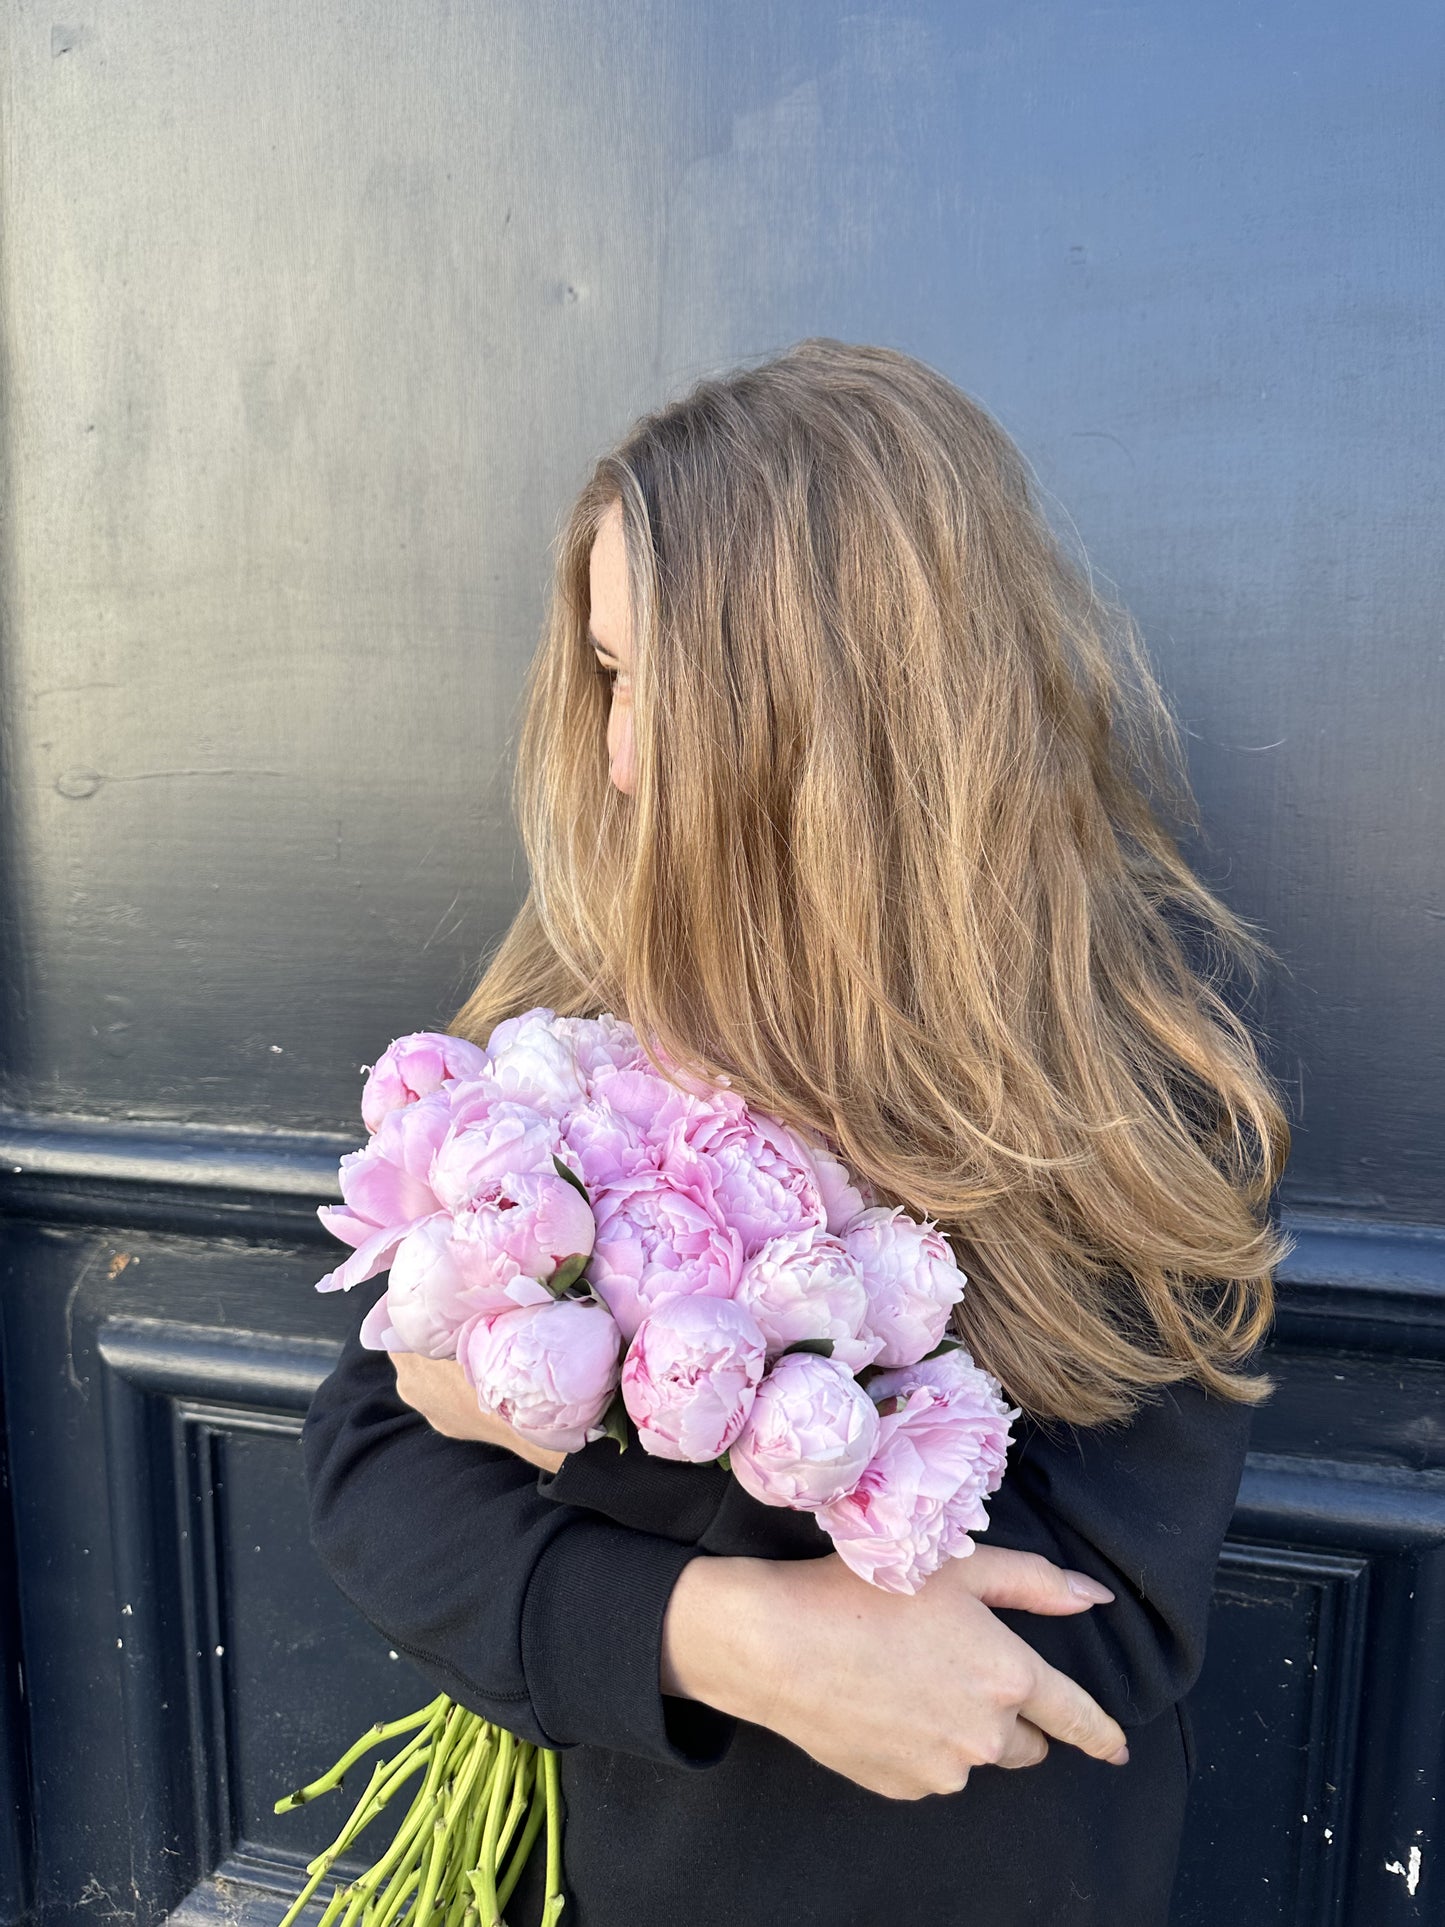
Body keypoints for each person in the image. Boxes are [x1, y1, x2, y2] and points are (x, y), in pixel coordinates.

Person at [300, 339, 1289, 1926]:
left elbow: (1072, 1642)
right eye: (604, 678)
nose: (612, 759)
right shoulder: (569, 1023)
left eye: (660, 690)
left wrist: (571, 1421)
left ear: (840, 721)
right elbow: (365, 1463)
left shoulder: (1123, 1095)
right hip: (597, 1870)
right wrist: (709, 1628)